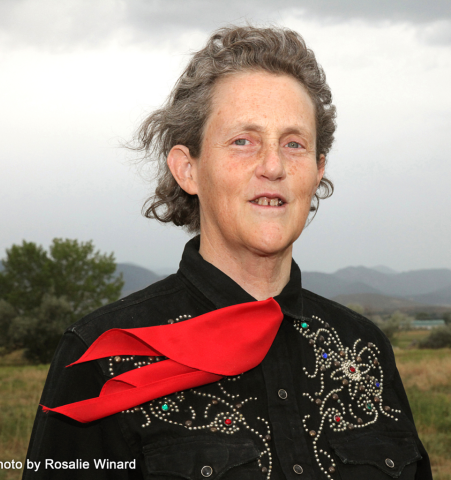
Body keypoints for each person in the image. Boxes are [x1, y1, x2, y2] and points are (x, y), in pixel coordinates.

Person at [24, 25, 432, 479]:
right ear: (187, 169)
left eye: (294, 144)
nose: (273, 166)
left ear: (317, 172)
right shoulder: (103, 356)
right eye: (244, 141)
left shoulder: (365, 349)